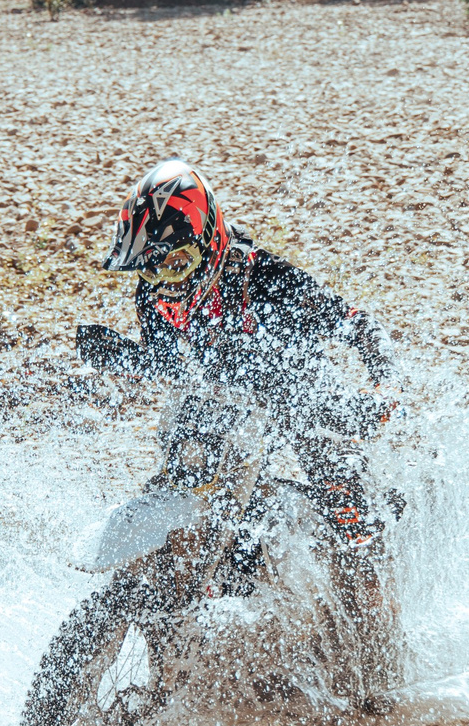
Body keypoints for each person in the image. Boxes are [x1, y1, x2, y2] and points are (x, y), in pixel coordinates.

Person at [75, 160, 398, 560]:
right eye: (150, 268)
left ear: (209, 239)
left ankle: (372, 584)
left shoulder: (264, 276)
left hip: (298, 396)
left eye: (176, 263)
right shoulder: (154, 292)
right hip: (223, 404)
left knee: (346, 507)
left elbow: (356, 324)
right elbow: (173, 365)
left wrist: (387, 386)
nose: (164, 282)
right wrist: (128, 358)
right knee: (176, 476)